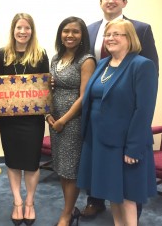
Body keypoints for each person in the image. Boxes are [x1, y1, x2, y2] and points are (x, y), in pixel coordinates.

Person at [83, 0, 159, 218]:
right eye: (108, 34)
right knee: (113, 192)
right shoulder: (103, 62)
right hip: (100, 138)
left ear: (130, 38)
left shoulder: (142, 64)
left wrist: (135, 145)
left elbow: (144, 106)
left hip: (125, 139)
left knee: (127, 195)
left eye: (117, 34)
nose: (111, 37)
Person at [0, 13, 49, 226]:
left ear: (32, 30)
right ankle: (17, 201)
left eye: (27, 28)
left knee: (32, 163)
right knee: (13, 162)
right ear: (13, 30)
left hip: (33, 121)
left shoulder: (40, 54)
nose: (23, 32)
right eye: (19, 28)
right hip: (10, 122)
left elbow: (46, 86)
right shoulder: (2, 54)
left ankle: (30, 202)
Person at [45, 17, 96, 226]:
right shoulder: (56, 58)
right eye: (66, 31)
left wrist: (63, 120)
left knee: (71, 170)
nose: (70, 35)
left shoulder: (87, 60)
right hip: (55, 120)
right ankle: (70, 208)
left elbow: (84, 97)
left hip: (72, 122)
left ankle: (66, 214)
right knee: (61, 168)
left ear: (82, 35)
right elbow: (49, 88)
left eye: (75, 31)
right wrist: (48, 114)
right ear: (60, 34)